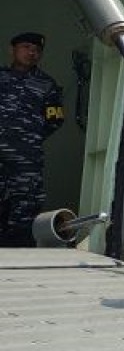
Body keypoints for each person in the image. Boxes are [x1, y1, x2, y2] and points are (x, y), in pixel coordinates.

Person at [0, 32, 64, 247]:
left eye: (36, 50)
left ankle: (16, 252)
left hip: (26, 159)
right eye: (26, 47)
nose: (32, 53)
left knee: (24, 207)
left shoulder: (47, 84)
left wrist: (29, 137)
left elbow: (55, 119)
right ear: (13, 50)